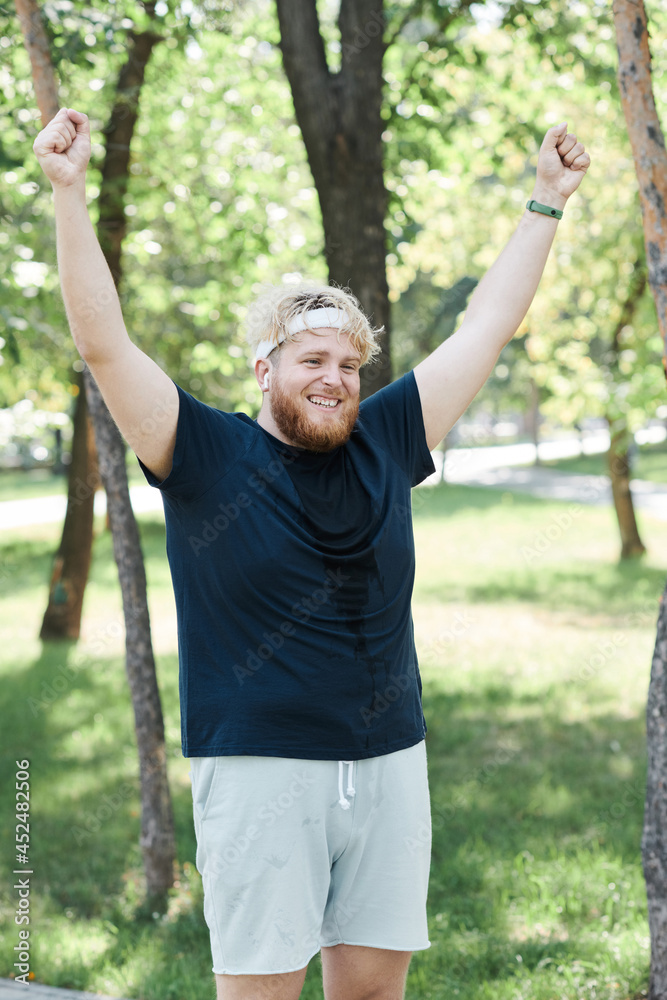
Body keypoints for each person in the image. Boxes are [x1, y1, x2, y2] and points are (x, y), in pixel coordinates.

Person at [33, 107, 589, 1000]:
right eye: (311, 360)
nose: (334, 379)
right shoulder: (202, 450)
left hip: (389, 761)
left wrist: (546, 201)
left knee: (371, 993)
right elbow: (103, 342)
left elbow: (483, 328)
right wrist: (69, 193)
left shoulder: (386, 438)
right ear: (265, 371)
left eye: (349, 365)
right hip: (261, 768)